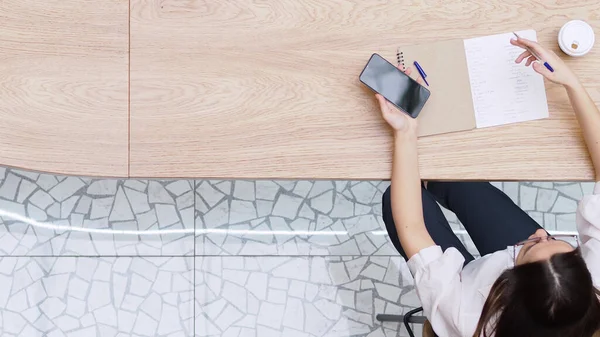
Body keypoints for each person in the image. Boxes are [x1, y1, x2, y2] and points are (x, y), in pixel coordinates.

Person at [379, 36, 600, 337]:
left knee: (397, 197)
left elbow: (413, 229)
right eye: (568, 248)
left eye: (533, 245)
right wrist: (570, 82)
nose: (538, 233)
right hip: (533, 282)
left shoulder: (465, 315)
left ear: (507, 285)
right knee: (460, 182)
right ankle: (437, 181)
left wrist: (405, 131)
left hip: (467, 285)